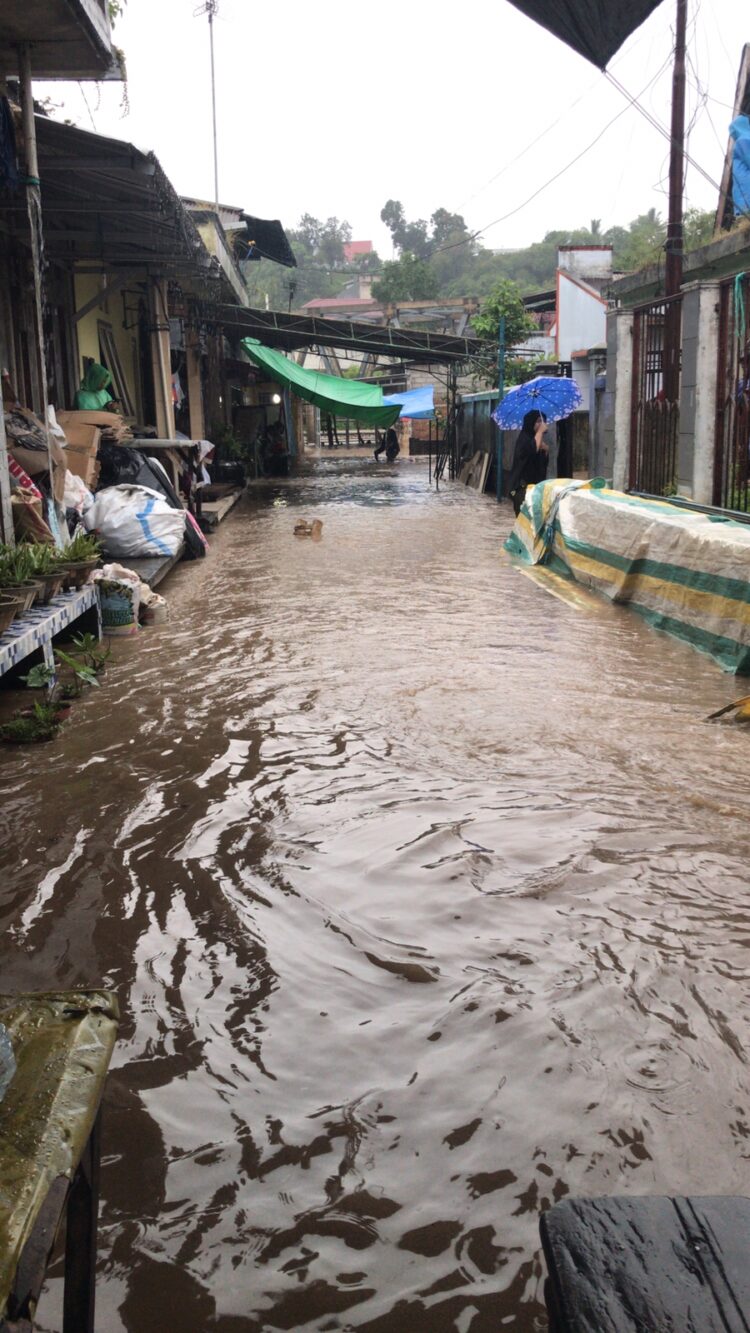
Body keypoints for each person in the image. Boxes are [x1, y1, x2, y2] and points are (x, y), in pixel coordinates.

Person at [506, 409, 549, 515]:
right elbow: (531, 450)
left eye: (543, 421)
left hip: (534, 488)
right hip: (520, 488)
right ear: (531, 423)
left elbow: (541, 465)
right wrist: (539, 433)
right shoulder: (524, 439)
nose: (541, 424)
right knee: (524, 520)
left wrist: (546, 451)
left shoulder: (535, 439)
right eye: (538, 421)